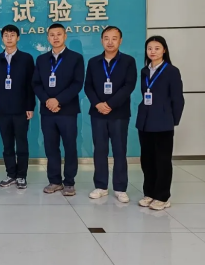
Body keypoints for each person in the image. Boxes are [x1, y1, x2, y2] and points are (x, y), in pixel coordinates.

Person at [85, 27, 137, 203]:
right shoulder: (93, 62)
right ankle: (101, 186)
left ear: (120, 41)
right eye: (106, 38)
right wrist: (98, 104)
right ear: (101, 40)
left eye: (114, 38)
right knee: (99, 150)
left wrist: (110, 104)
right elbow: (88, 86)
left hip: (119, 113)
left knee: (119, 150)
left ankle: (120, 188)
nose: (110, 42)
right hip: (98, 113)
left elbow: (129, 86)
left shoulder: (128, 61)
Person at [33, 23, 84, 197]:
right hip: (47, 111)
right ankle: (54, 180)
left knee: (70, 146)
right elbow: (36, 83)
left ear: (65, 36)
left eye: (59, 34)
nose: (55, 38)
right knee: (51, 147)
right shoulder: (41, 59)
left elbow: (77, 84)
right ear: (48, 38)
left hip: (67, 111)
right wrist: (47, 100)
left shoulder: (75, 58)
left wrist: (58, 100)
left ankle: (69, 182)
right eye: (52, 35)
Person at [136, 36, 184, 211]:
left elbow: (178, 99)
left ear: (164, 50)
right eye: (149, 48)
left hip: (163, 122)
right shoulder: (144, 71)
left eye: (157, 48)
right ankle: (149, 193)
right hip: (145, 122)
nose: (153, 51)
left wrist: (172, 120)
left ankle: (162, 197)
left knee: (162, 160)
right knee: (147, 160)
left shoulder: (171, 71)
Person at [0, 25, 35, 189]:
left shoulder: (26, 59)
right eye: (6, 35)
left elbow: (31, 85)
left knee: (22, 143)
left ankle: (22, 175)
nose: (9, 38)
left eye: (12, 35)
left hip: (21, 109)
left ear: (18, 38)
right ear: (2, 38)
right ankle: (11, 174)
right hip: (2, 109)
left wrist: (30, 106)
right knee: (7, 144)